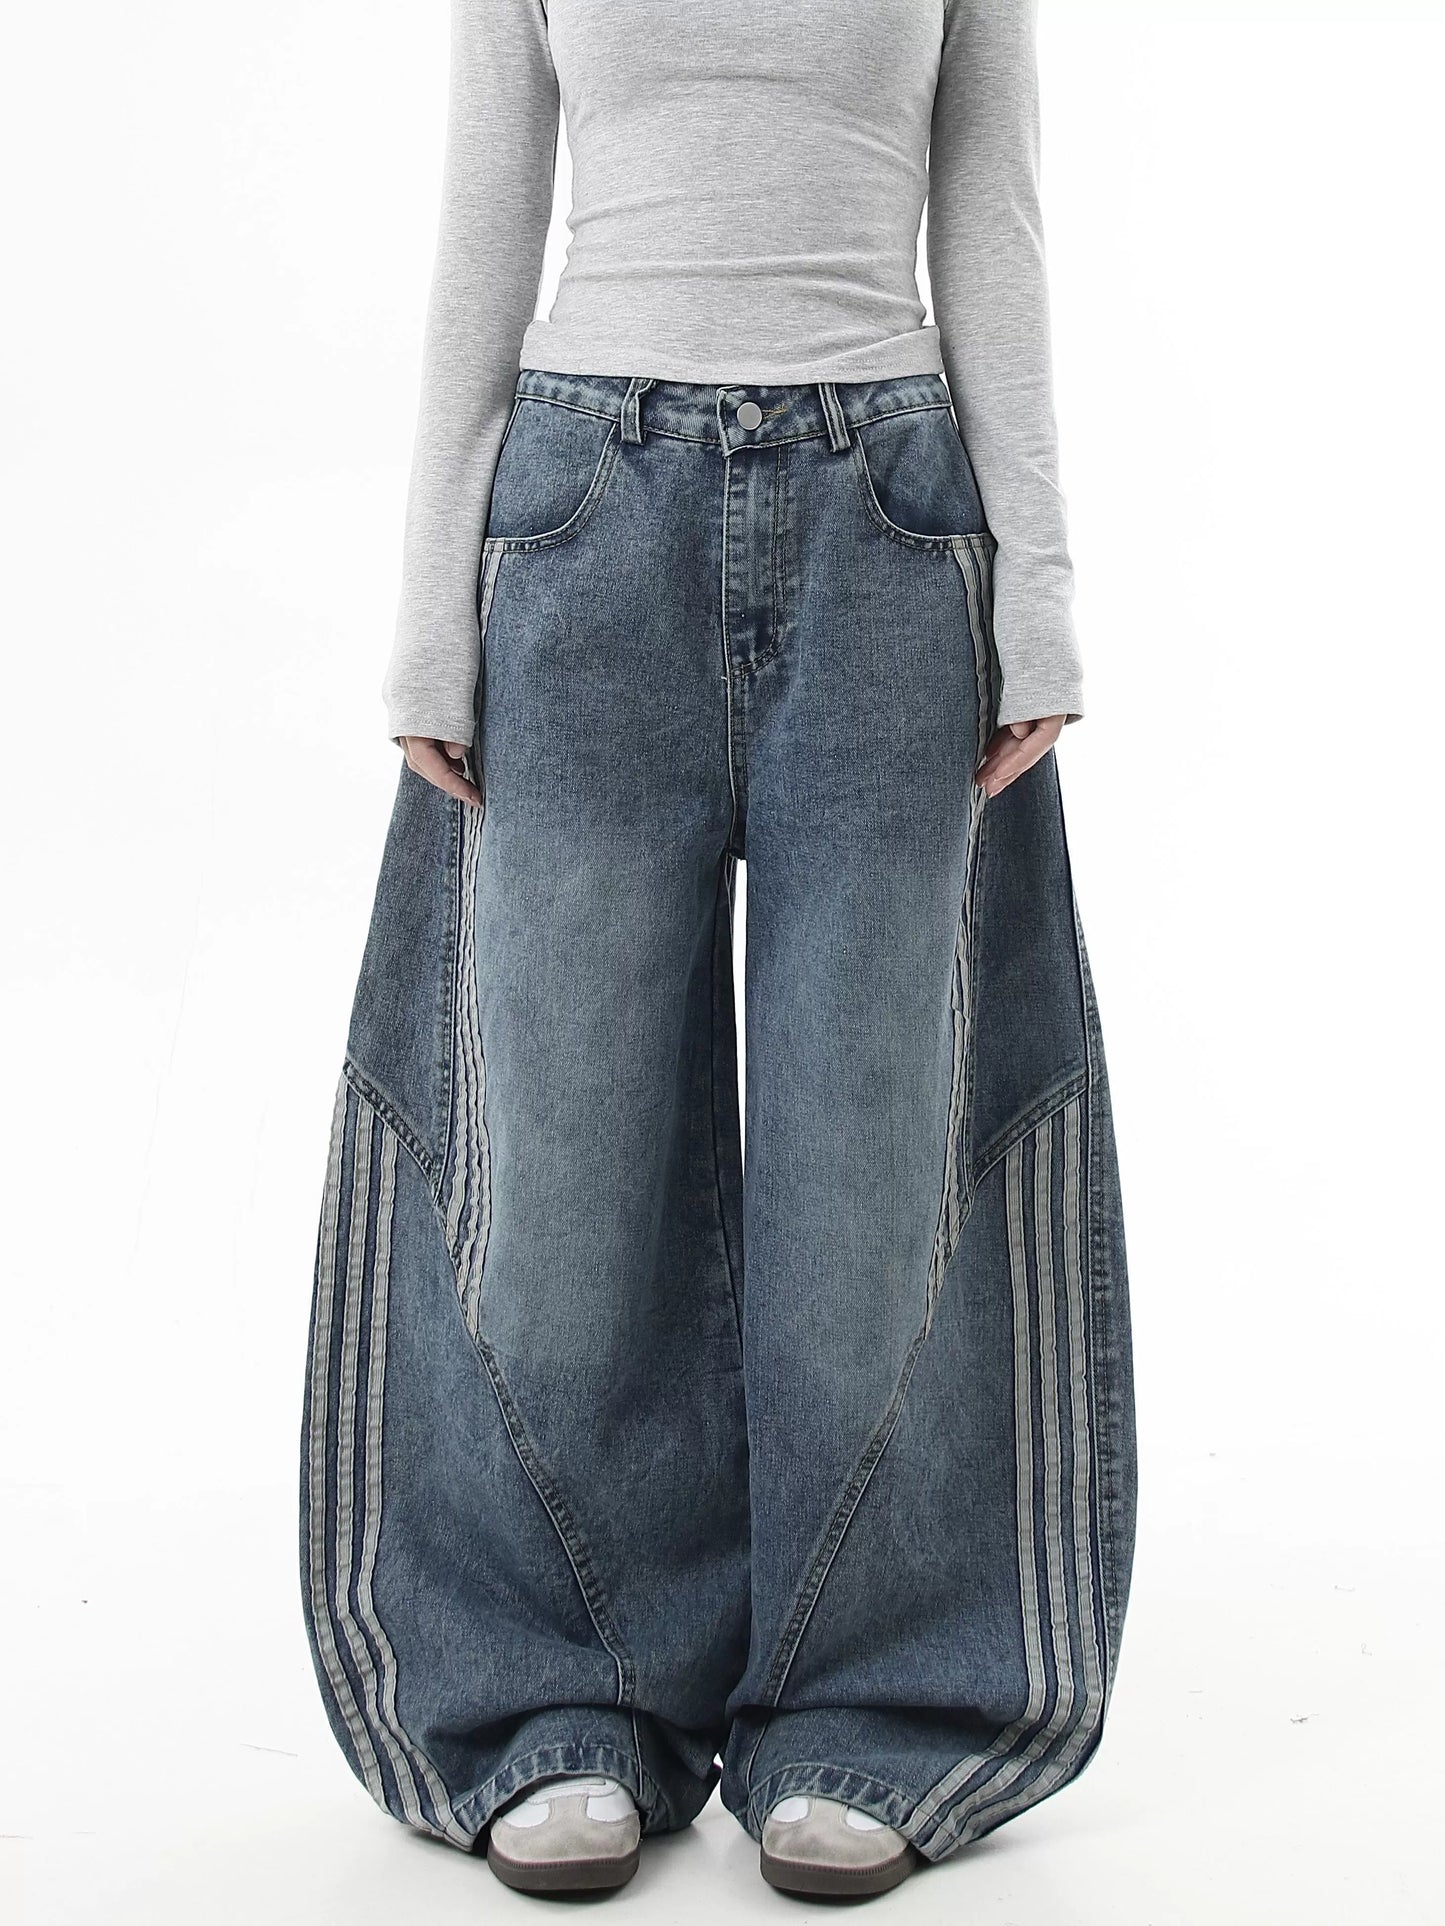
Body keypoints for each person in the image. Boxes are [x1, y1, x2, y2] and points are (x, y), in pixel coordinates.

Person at [300, 0, 1137, 1902]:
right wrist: (430, 607)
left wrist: (1040, 586)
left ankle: (872, 1703)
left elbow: (990, 220)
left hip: (891, 526)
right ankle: (560, 1694)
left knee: (874, 1164)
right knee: (559, 1156)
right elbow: (485, 223)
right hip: (582, 523)